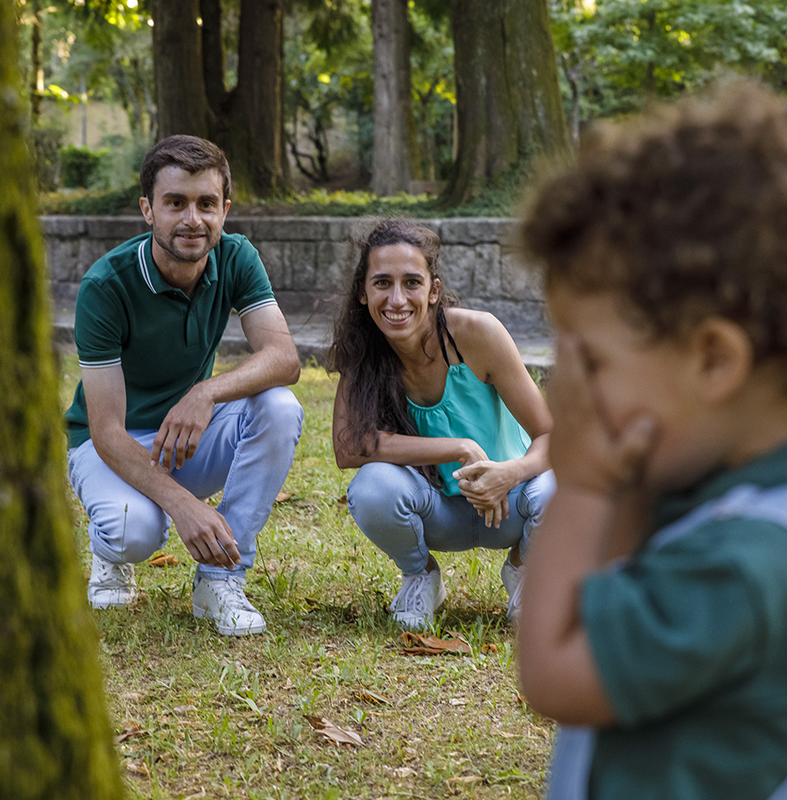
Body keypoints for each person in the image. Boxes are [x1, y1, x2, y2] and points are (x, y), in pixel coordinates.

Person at [516, 83, 787, 799]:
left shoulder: (754, 563)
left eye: (595, 364)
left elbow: (555, 672)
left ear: (713, 360)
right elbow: (613, 580)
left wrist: (581, 484)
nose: (573, 392)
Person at [64, 135, 303, 636]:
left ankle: (221, 578)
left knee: (280, 407)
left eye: (206, 204)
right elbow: (106, 431)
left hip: (185, 436)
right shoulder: (106, 286)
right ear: (148, 210)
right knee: (133, 532)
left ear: (224, 210)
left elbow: (283, 358)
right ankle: (109, 553)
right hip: (111, 443)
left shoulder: (236, 257)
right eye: (175, 203)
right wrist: (184, 505)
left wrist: (206, 392)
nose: (193, 219)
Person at [329, 218, 554, 629]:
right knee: (372, 486)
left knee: (562, 486)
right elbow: (348, 446)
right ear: (363, 292)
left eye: (412, 282)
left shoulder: (477, 334)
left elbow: (551, 435)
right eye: (382, 283)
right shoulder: (363, 350)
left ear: (433, 291)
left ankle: (525, 571)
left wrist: (510, 473)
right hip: (436, 511)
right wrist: (459, 447)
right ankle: (421, 576)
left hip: (508, 504)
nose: (397, 299)